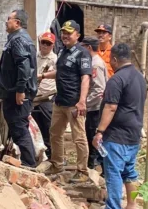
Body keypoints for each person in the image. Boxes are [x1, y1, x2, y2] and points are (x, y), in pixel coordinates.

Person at [93, 42, 147, 209]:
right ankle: (131, 206)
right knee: (129, 171)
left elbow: (110, 107)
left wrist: (100, 131)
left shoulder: (117, 79)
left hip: (117, 134)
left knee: (113, 171)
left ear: (114, 59)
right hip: (134, 132)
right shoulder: (140, 77)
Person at [0, 9, 38, 166]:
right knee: (18, 127)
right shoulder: (16, 39)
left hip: (17, 94)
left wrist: (20, 90)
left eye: (9, 19)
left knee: (19, 127)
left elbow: (24, 66)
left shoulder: (19, 40)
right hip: (12, 92)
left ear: (17, 22)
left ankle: (29, 164)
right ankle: (27, 161)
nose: (6, 21)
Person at [49, 21, 91, 175]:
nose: (65, 36)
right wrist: (43, 76)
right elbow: (60, 72)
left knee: (79, 138)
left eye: (69, 33)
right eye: (63, 33)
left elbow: (85, 78)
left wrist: (82, 101)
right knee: (55, 134)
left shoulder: (82, 53)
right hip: (59, 102)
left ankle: (82, 171)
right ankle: (57, 165)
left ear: (78, 35)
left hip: (74, 104)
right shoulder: (61, 51)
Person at [83, 37, 109, 171]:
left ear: (88, 48)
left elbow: (99, 89)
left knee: (94, 137)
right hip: (93, 106)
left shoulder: (96, 64)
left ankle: (96, 167)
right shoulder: (92, 62)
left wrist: (84, 103)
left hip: (96, 107)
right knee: (90, 136)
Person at [33, 31, 58, 155]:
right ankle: (39, 153)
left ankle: (51, 154)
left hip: (47, 97)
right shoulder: (35, 57)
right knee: (35, 127)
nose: (45, 45)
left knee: (48, 127)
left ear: (52, 45)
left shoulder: (55, 60)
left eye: (48, 43)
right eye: (43, 42)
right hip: (34, 97)